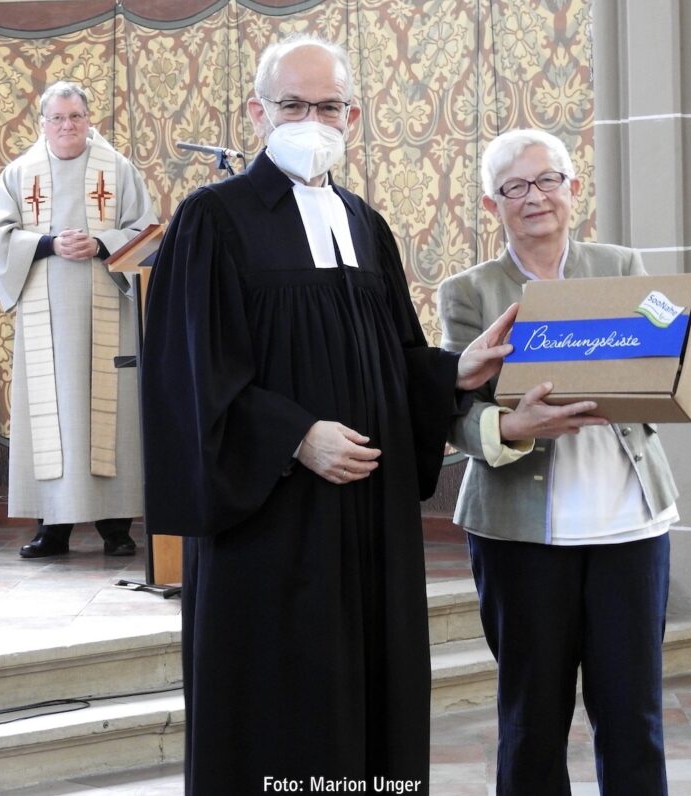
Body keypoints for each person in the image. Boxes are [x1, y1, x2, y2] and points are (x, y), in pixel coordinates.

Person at [140, 34, 516, 795]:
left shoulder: (362, 221)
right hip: (276, 522)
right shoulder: (213, 220)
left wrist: (456, 369)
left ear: (351, 115)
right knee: (285, 703)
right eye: (293, 105)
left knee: (374, 698)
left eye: (328, 106)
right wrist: (294, 436)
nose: (312, 119)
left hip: (371, 518)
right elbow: (188, 376)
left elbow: (390, 355)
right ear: (257, 112)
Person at [438, 128, 679, 795]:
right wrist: (511, 425)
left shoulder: (623, 267)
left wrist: (659, 369)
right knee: (532, 717)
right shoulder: (469, 292)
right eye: (514, 187)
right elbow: (450, 410)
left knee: (633, 714)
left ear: (574, 188)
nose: (535, 197)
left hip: (628, 524)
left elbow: (661, 362)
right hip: (519, 531)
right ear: (493, 206)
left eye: (548, 180)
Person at [0, 81, 158, 558]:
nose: (67, 126)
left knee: (111, 414)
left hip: (106, 304)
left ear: (89, 119)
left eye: (75, 117)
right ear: (42, 123)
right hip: (47, 312)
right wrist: (47, 244)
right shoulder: (20, 173)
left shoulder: (118, 169)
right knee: (52, 418)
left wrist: (101, 243)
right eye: (57, 118)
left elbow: (147, 231)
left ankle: (117, 529)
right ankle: (52, 531)